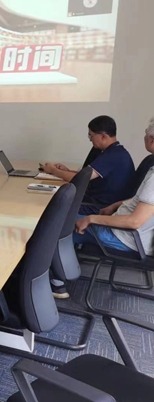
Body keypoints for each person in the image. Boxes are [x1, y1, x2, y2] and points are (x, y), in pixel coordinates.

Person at [52, 119, 154, 298]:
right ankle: (65, 266)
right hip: (128, 231)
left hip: (126, 237)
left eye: (146, 133)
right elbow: (142, 201)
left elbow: (134, 221)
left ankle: (57, 283)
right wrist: (117, 205)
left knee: (54, 225)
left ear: (152, 140)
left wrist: (91, 218)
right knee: (62, 219)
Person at [43, 115, 134, 214]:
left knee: (51, 206)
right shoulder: (116, 151)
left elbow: (80, 179)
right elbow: (87, 174)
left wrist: (53, 170)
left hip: (98, 207)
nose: (90, 139)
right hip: (95, 201)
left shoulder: (112, 155)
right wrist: (67, 171)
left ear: (103, 136)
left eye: (91, 136)